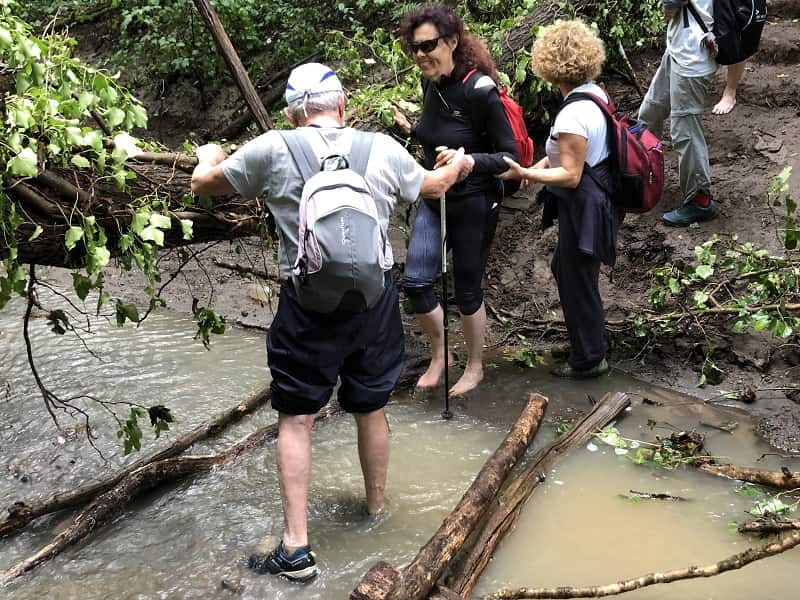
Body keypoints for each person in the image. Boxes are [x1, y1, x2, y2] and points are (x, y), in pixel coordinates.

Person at [190, 62, 468, 581]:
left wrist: (211, 154)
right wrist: (460, 163)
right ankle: (376, 512)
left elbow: (203, 184)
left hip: (307, 304)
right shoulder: (382, 147)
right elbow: (433, 186)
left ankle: (296, 550)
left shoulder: (273, 147)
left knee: (296, 418)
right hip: (374, 301)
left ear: (294, 114)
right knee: (371, 407)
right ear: (342, 108)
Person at [395, 3, 518, 397]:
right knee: (415, 280)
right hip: (435, 198)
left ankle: (476, 365)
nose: (420, 55)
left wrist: (467, 160)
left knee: (466, 290)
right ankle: (441, 354)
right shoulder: (430, 83)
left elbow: (509, 157)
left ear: (451, 41)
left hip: (475, 202)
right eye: (413, 48)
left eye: (428, 46)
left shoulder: (480, 90)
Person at [498, 20, 617, 379]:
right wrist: (539, 163)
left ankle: (589, 359)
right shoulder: (595, 94)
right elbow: (566, 155)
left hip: (585, 206)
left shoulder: (572, 113)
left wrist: (525, 174)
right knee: (568, 271)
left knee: (577, 278)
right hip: (595, 200)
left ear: (550, 64)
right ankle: (587, 341)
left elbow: (571, 173)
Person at [638, 0, 719, 226]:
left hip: (691, 59)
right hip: (679, 51)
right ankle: (639, 172)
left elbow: (671, 5)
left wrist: (667, 11)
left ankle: (699, 201)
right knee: (650, 111)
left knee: (685, 131)